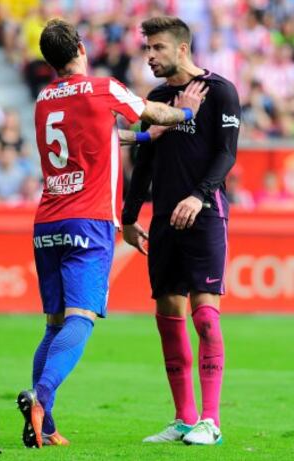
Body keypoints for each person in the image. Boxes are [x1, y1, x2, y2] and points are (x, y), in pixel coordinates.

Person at [16, 18, 207, 449]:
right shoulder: (102, 88)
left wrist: (142, 137)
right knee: (81, 319)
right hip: (89, 219)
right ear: (81, 48)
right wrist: (188, 110)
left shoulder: (44, 99)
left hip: (47, 220)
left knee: (53, 325)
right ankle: (39, 396)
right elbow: (152, 109)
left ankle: (44, 425)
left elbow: (97, 134)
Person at [122, 16, 240, 446]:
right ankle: (185, 419)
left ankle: (212, 421)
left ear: (182, 49)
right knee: (168, 317)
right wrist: (130, 215)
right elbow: (145, 160)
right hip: (163, 222)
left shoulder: (220, 91)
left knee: (205, 316)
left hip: (206, 214)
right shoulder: (155, 99)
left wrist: (200, 195)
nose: (149, 56)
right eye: (147, 49)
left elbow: (227, 154)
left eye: (157, 48)